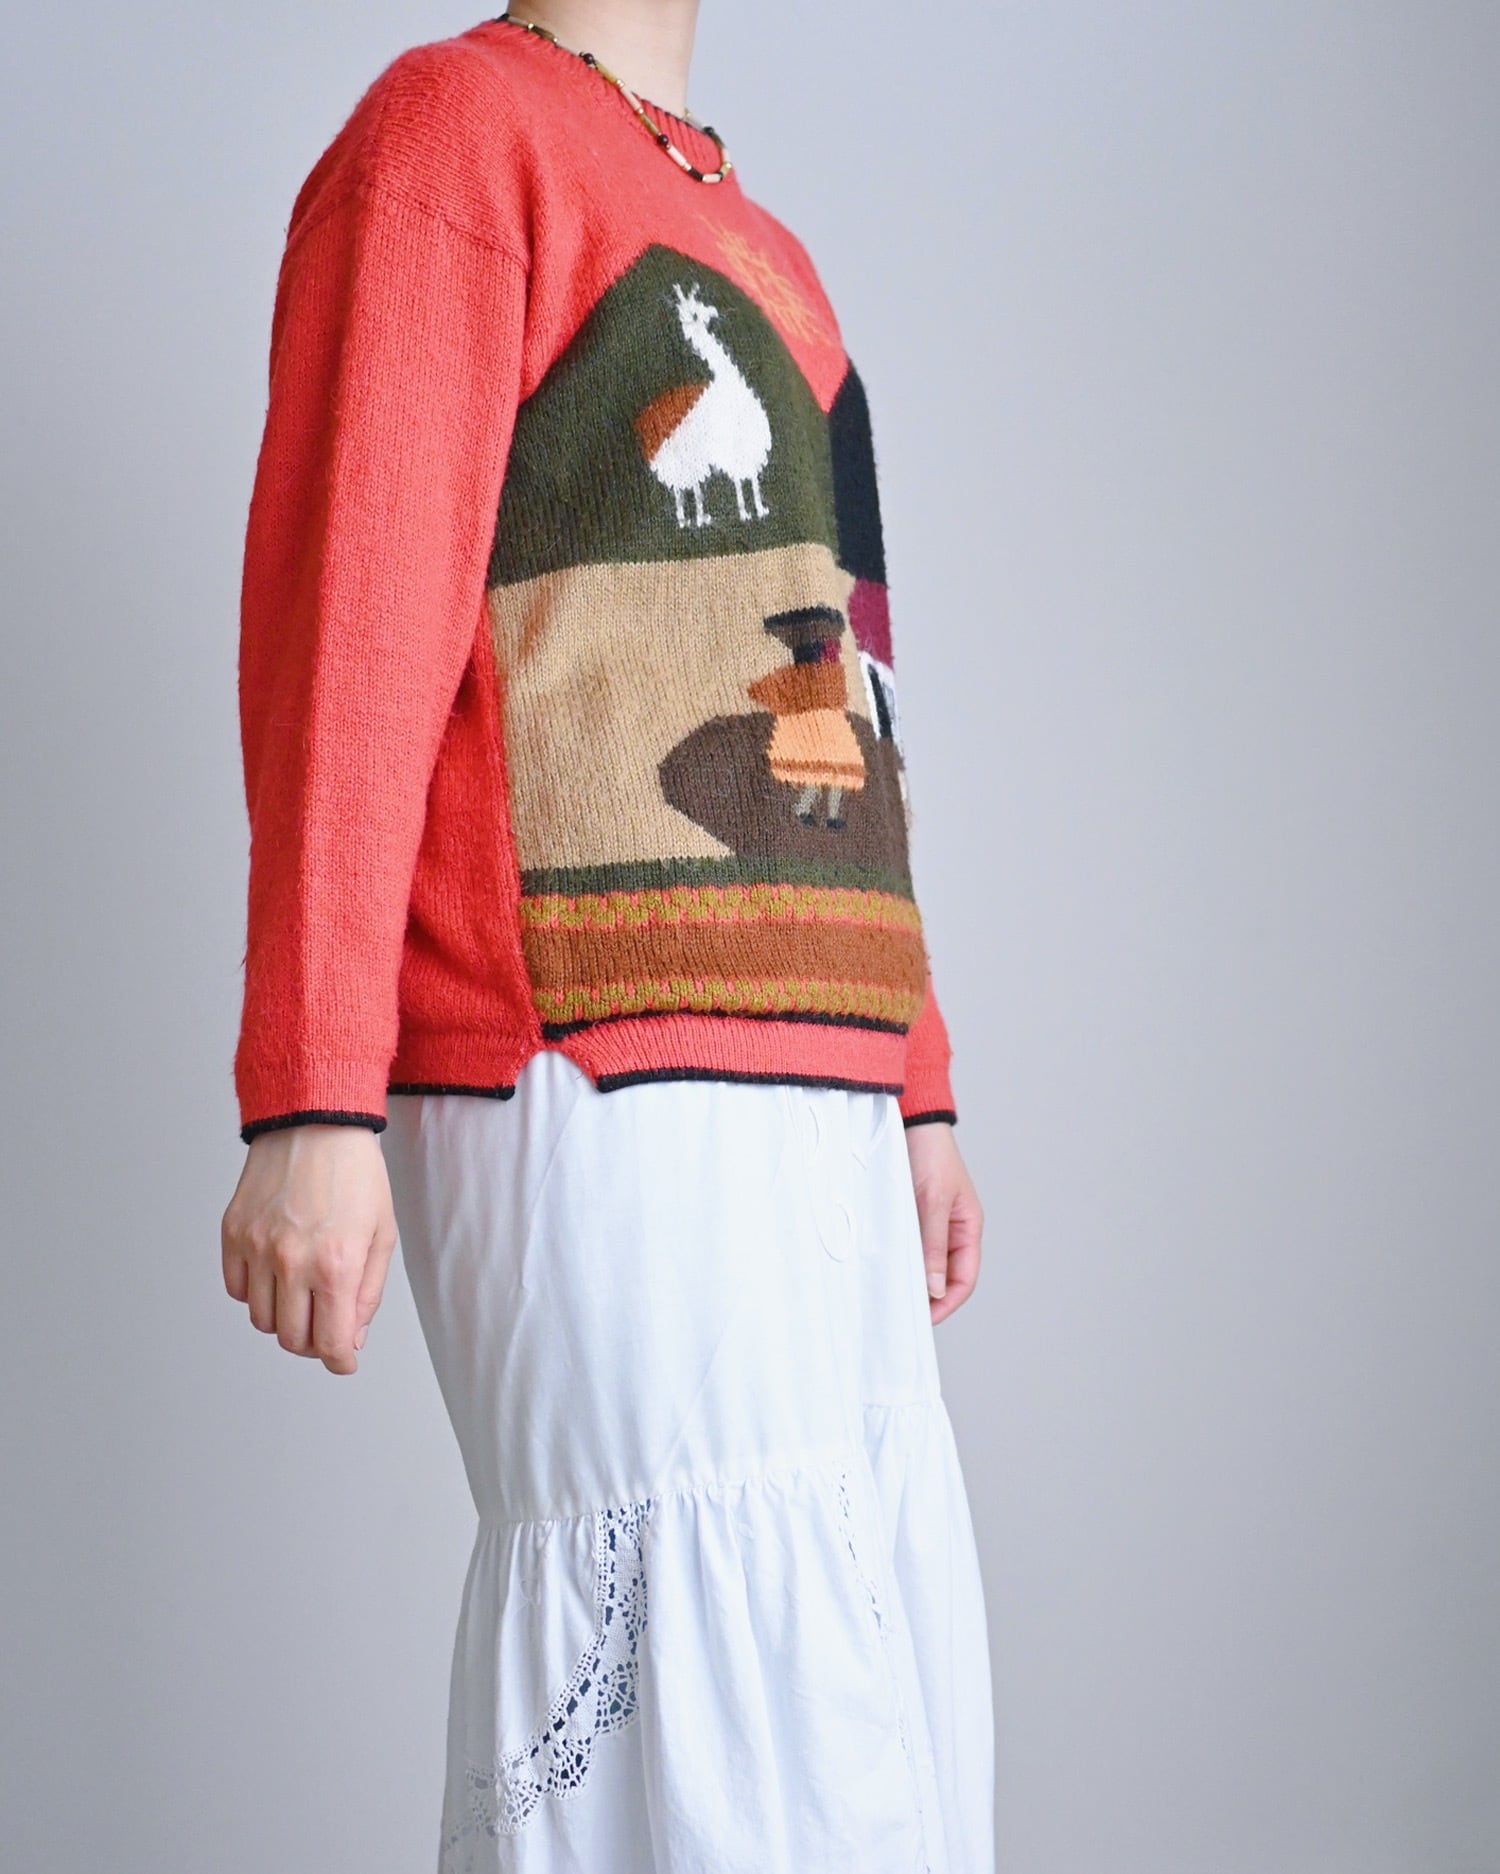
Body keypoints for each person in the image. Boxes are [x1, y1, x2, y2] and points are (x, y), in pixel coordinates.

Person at [220, 5, 995, 1868]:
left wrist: (918, 1079)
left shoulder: (771, 254)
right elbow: (354, 616)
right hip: (577, 1037)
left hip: (816, 1059)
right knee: (694, 1677)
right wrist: (311, 1090)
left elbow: (850, 682)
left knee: (860, 1707)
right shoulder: (453, 135)